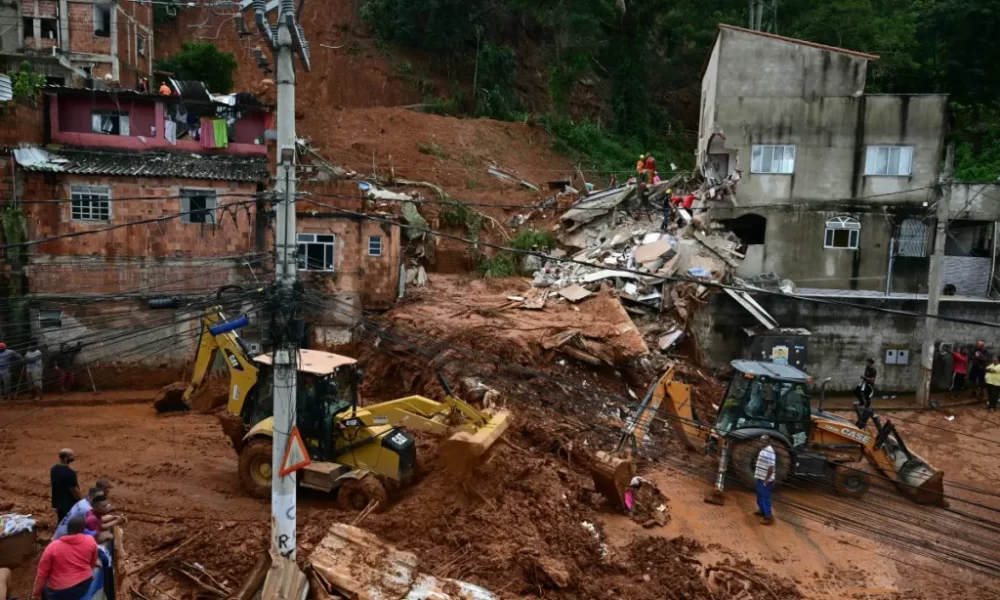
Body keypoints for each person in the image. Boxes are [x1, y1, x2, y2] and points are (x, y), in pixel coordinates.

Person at [32, 516, 98, 600]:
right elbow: (92, 562)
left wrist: (35, 594)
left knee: (44, 589)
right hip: (84, 584)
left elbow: (42, 573)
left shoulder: (53, 547)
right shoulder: (90, 541)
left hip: (60, 591)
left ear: (68, 529)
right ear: (82, 528)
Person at [51, 449, 81, 524]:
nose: (73, 457)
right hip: (69, 504)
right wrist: (80, 500)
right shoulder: (70, 473)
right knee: (70, 524)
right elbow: (74, 490)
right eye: (71, 456)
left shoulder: (54, 469)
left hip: (58, 502)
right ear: (65, 458)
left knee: (61, 522)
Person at [753, 436, 776, 525]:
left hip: (765, 479)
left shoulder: (769, 452)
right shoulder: (764, 449)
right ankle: (762, 510)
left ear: (767, 441)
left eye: (763, 441)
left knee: (765, 497)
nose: (761, 442)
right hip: (760, 477)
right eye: (760, 440)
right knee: (759, 495)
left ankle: (768, 516)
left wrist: (766, 480)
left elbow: (771, 467)